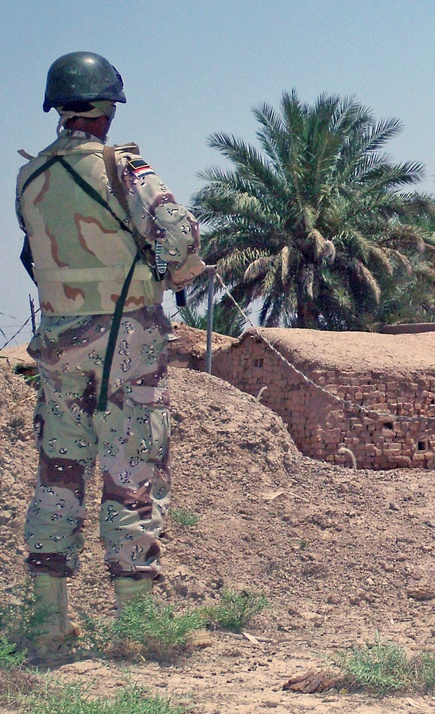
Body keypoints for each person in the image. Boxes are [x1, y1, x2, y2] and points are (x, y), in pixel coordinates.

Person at [15, 51, 205, 661]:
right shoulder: (122, 167)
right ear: (107, 109)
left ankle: (48, 622)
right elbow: (181, 235)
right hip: (126, 343)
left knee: (58, 473)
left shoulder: (29, 176)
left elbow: (30, 255)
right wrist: (166, 271)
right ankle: (135, 629)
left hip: (57, 342)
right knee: (131, 473)